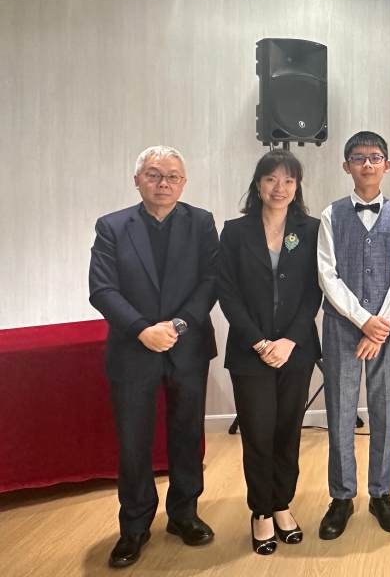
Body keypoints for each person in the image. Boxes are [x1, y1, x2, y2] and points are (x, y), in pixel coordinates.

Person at [88, 146, 219, 568]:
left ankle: (184, 514)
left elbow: (212, 280)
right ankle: (134, 526)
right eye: (154, 174)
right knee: (133, 442)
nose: (164, 183)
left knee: (187, 436)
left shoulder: (201, 223)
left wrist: (177, 325)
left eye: (173, 176)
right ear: (137, 180)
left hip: (187, 346)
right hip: (133, 348)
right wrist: (143, 329)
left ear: (184, 182)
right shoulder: (112, 226)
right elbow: (102, 289)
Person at [216, 150, 322, 555]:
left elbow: (314, 290)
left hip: (295, 350)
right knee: (258, 433)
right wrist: (260, 342)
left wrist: (290, 341)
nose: (280, 188)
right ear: (258, 184)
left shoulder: (311, 229)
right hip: (250, 352)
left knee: (288, 431)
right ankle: (260, 510)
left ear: (297, 187)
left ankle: (282, 504)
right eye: (271, 179)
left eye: (288, 180)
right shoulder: (235, 231)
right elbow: (227, 291)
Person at [316, 131, 390, 538]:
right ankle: (341, 496)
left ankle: (380, 493)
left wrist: (379, 324)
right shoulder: (331, 215)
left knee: (385, 408)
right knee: (340, 410)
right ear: (347, 166)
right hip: (341, 325)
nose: (367, 164)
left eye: (375, 157)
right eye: (359, 158)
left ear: (387, 165)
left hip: (387, 327)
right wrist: (362, 320)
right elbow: (327, 275)